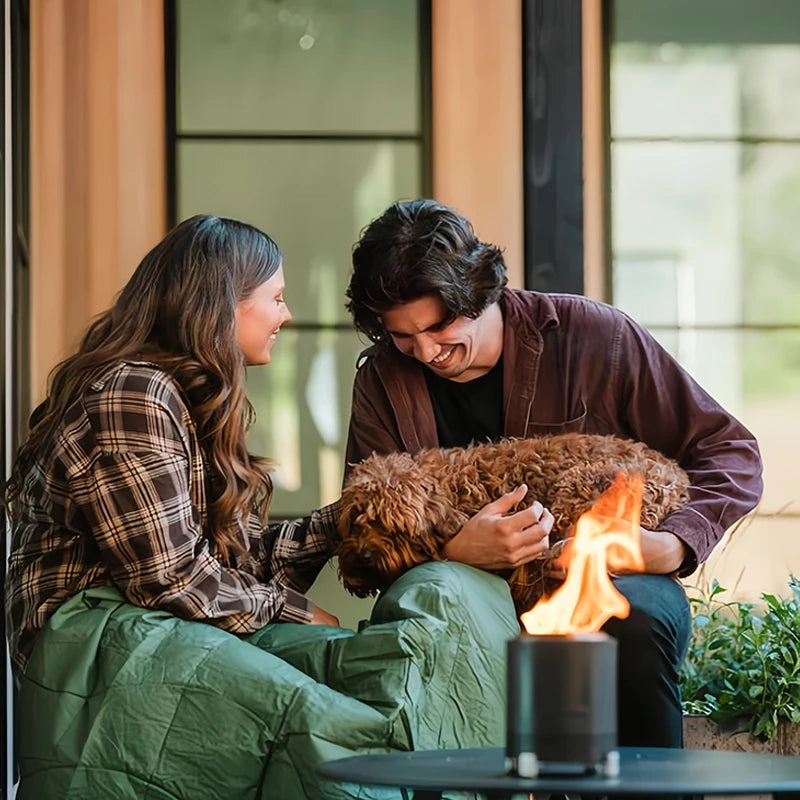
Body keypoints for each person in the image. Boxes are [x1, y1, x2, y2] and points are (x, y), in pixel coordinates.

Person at [344, 198, 764, 749]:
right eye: (402, 336)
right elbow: (368, 531)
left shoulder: (595, 336)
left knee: (636, 618)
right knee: (424, 622)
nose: (426, 352)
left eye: (440, 325)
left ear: (480, 289)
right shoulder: (381, 382)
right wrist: (455, 552)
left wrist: (669, 546)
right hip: (460, 589)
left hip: (602, 577)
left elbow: (729, 450)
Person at [4, 215, 340, 678]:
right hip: (92, 656)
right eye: (277, 298)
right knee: (339, 707)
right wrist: (296, 612)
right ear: (222, 306)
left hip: (148, 637)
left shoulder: (182, 398)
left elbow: (235, 564)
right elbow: (170, 579)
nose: (287, 315)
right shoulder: (131, 394)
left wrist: (347, 522)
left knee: (342, 669)